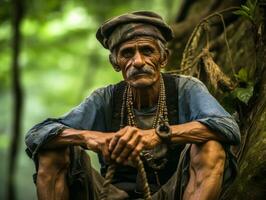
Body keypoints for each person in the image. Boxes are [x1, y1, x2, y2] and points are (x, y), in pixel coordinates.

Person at [25, 11, 240, 200]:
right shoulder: (105, 98)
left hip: (172, 192)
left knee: (211, 146)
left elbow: (228, 127)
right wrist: (89, 137)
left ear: (163, 58)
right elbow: (37, 135)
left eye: (147, 51)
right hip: (110, 194)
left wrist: (159, 135)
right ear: (115, 62)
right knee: (51, 149)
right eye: (127, 53)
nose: (137, 61)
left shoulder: (186, 89)